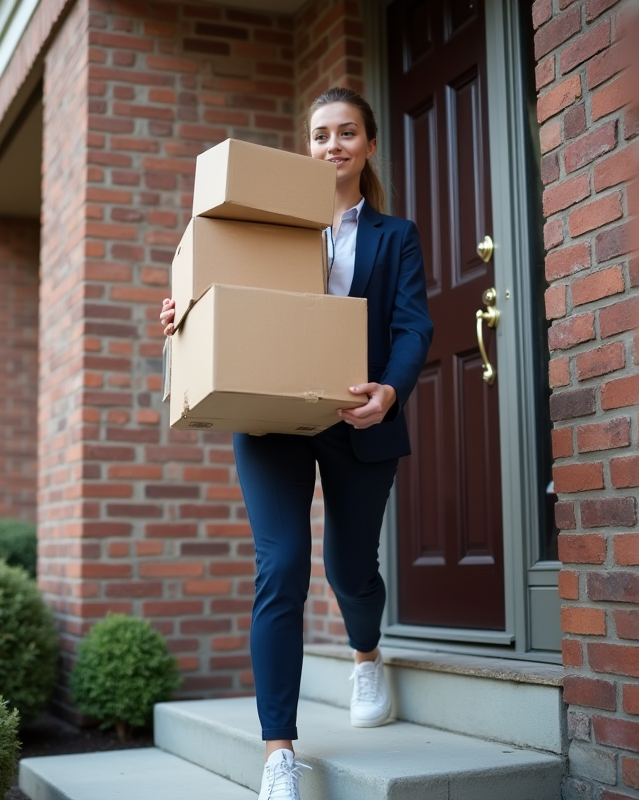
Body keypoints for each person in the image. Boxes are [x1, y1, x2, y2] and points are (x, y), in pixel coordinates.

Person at [159, 87, 433, 800]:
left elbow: (413, 327)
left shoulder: (395, 236)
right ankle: (278, 751)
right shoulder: (267, 222)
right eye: (319, 135)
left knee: (350, 568)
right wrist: (183, 309)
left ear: (369, 145)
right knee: (280, 566)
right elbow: (219, 290)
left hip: (358, 415)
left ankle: (366, 655)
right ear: (306, 147)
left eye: (346, 133)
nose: (332, 145)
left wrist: (390, 391)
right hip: (271, 417)